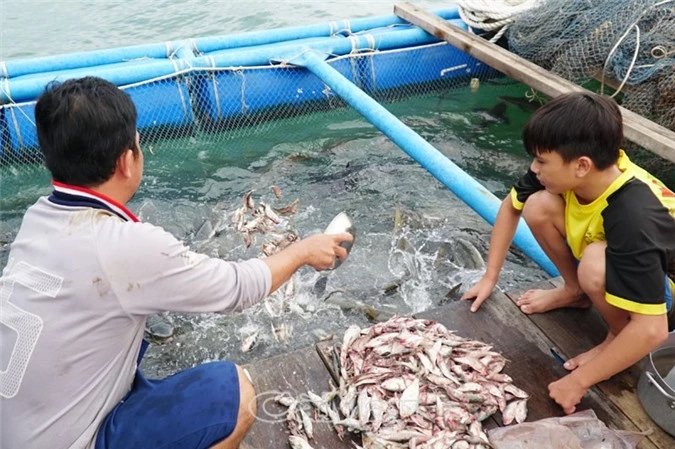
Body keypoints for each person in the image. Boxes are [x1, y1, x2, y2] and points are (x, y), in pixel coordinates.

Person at [0, 76, 353, 449]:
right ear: (125, 162)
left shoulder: (37, 219)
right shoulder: (124, 244)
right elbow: (238, 288)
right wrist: (302, 251)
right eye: (137, 142)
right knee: (232, 393)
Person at [460, 92, 674, 414]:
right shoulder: (581, 170)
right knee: (538, 205)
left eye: (542, 161)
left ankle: (616, 335)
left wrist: (578, 382)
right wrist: (490, 277)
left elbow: (653, 329)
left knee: (595, 264)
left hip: (665, 298)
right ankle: (575, 292)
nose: (534, 168)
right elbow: (510, 208)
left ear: (581, 166)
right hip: (626, 268)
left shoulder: (633, 213)